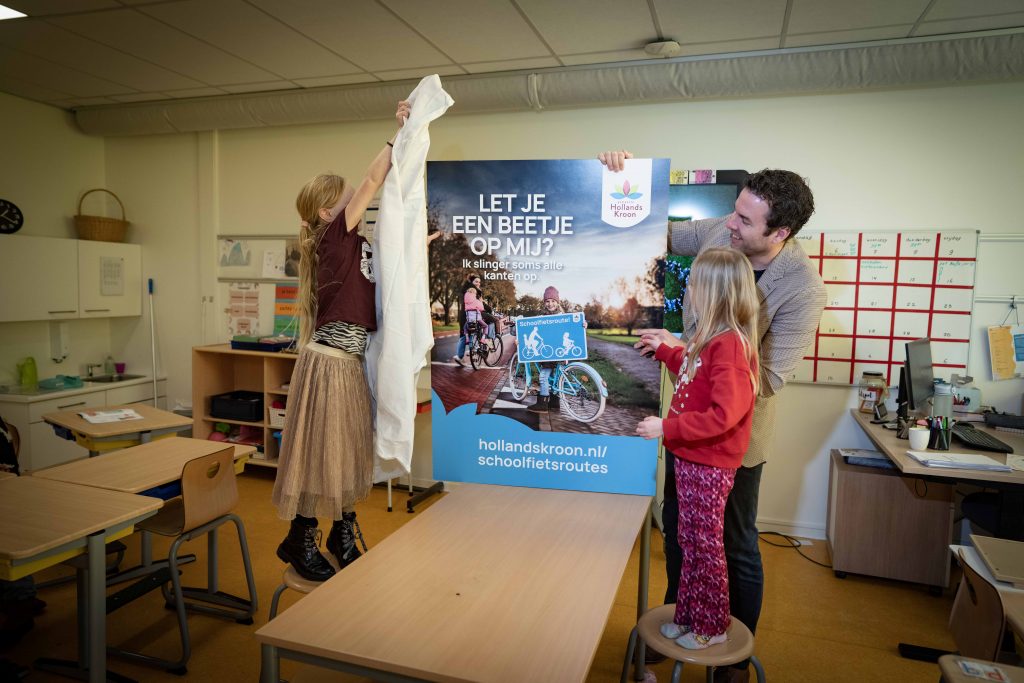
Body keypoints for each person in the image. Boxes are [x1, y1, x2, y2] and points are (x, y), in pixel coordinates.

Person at [602, 150, 826, 682]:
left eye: (745, 220)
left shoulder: (802, 288)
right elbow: (650, 227)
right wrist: (622, 181)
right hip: (687, 436)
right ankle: (687, 620)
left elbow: (765, 380)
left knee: (733, 545)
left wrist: (691, 349)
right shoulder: (720, 230)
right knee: (684, 535)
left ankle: (729, 656)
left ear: (780, 232)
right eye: (734, 210)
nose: (730, 224)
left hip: (732, 444)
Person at [271, 100, 410, 582]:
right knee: (321, 454)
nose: (358, 201)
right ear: (328, 212)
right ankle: (300, 535)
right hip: (329, 363)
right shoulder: (333, 237)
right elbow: (372, 180)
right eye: (349, 199)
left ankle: (341, 531)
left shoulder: (355, 245)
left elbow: (386, 269)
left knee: (349, 452)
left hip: (348, 363)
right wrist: (398, 135)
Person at [636, 247, 759, 650]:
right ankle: (689, 615)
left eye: (694, 284)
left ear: (715, 292)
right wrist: (665, 351)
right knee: (689, 542)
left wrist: (666, 427)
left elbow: (724, 415)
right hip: (692, 459)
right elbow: (692, 374)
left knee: (705, 546)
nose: (688, 290)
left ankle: (712, 624)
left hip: (709, 464)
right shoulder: (712, 339)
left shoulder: (730, 346)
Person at [527, 286, 564, 413]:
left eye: (553, 301)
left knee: (543, 377)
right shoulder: (541, 317)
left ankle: (542, 403)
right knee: (554, 377)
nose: (550, 304)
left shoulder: (563, 317)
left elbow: (572, 327)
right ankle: (554, 403)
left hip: (554, 353)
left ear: (557, 302)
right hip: (551, 352)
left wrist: (583, 325)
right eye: (547, 301)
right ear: (544, 303)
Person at [452, 274, 497, 366]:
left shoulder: (466, 291)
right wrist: (489, 309)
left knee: (463, 335)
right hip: (475, 315)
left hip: (464, 316)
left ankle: (459, 356)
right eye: (476, 281)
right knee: (491, 321)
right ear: (472, 282)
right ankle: (487, 341)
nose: (478, 283)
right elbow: (480, 305)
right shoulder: (475, 291)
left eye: (479, 282)